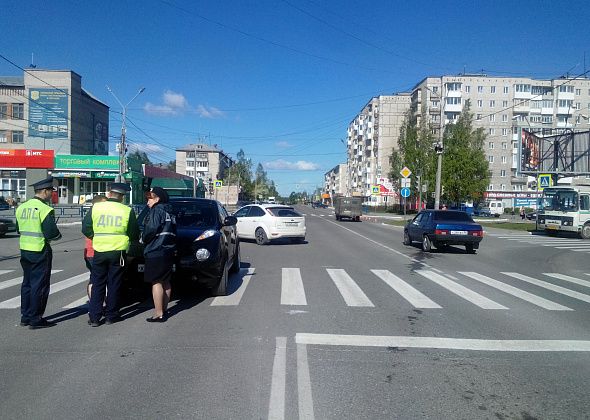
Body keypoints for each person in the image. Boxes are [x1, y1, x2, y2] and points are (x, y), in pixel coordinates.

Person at [82, 183, 139, 327]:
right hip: (118, 252)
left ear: (109, 193)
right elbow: (134, 233)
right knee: (114, 283)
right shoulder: (126, 210)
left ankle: (94, 317)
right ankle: (111, 315)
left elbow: (86, 227)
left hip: (99, 250)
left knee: (98, 283)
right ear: (121, 197)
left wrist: (96, 237)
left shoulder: (96, 207)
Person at [15, 176, 62, 329]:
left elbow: (18, 229)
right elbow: (51, 233)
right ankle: (36, 319)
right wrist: (57, 235)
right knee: (39, 285)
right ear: (44, 191)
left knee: (27, 284)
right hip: (40, 250)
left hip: (25, 250)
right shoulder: (45, 209)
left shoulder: (22, 207)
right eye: (50, 191)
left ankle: (26, 316)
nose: (51, 194)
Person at [142, 187, 176, 322]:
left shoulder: (156, 211)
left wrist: (143, 238)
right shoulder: (170, 211)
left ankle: (158, 313)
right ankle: (165, 309)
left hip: (156, 250)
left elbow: (150, 230)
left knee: (156, 282)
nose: (147, 202)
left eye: (149, 198)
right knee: (166, 282)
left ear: (157, 199)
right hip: (168, 250)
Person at [83, 195, 107, 299]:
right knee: (98, 279)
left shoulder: (94, 214)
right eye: (104, 203)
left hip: (92, 252)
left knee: (95, 278)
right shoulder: (95, 214)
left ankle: (95, 303)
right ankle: (97, 302)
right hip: (94, 251)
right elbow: (87, 230)